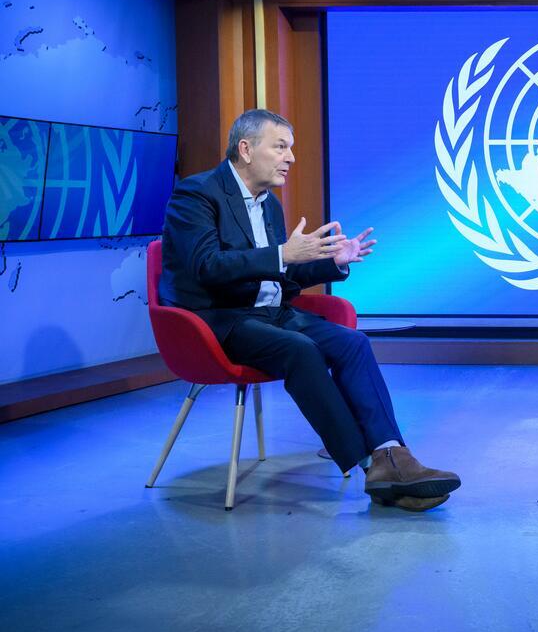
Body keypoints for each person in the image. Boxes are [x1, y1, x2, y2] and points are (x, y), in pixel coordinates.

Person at [159, 109, 460, 511]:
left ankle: (391, 453)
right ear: (246, 149)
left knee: (353, 343)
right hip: (221, 319)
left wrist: (333, 262)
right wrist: (283, 253)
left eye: (291, 148)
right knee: (301, 350)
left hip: (273, 314)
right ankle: (373, 468)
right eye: (280, 147)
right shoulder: (196, 195)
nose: (291, 157)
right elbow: (206, 267)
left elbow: (284, 272)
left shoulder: (269, 204)